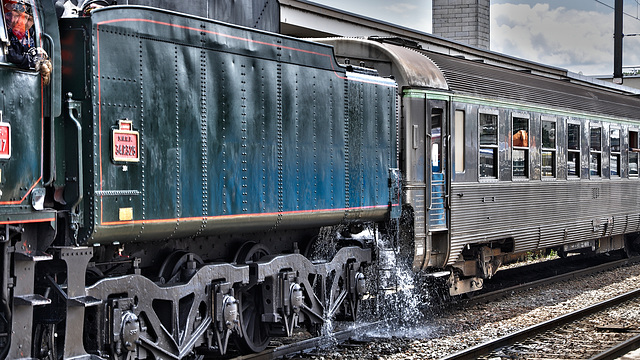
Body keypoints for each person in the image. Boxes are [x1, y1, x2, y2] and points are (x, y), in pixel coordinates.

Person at [4, 0, 51, 83]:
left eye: (29, 19)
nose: (25, 23)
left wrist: (35, 53)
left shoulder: (31, 33)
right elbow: (12, 56)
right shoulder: (8, 29)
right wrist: (31, 60)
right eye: (16, 15)